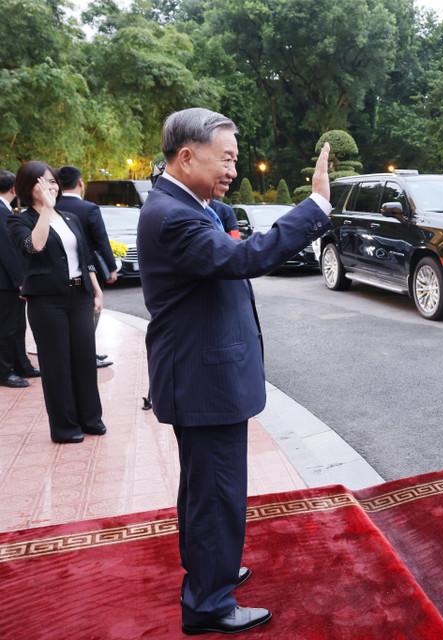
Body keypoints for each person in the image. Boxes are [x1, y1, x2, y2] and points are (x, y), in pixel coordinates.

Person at [137, 107, 332, 636]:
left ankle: (211, 570)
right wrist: (314, 205)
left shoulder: (184, 204)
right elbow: (247, 260)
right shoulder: (174, 215)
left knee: (207, 488)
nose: (231, 170)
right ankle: (208, 602)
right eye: (225, 159)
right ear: (186, 156)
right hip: (203, 378)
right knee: (217, 491)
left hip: (201, 372)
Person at [6, 161, 107, 443]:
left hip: (80, 297)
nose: (49, 187)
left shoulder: (70, 219)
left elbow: (84, 259)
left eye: (52, 181)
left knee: (85, 359)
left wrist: (96, 290)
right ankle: (65, 427)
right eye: (41, 182)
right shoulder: (19, 220)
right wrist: (47, 210)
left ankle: (90, 419)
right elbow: (32, 246)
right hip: (47, 302)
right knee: (57, 364)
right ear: (28, 188)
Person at [55, 165, 116, 368]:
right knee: (91, 311)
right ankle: (87, 354)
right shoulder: (89, 208)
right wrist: (112, 267)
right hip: (89, 271)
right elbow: (101, 240)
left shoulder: (51, 208)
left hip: (58, 272)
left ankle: (76, 353)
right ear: (80, 183)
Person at [0, 169, 41, 387]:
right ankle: (4, 372)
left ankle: (21, 364)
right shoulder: (2, 212)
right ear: (14, 188)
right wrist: (21, 280)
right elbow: (9, 251)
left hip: (8, 281)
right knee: (7, 328)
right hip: (5, 282)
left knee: (17, 326)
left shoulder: (5, 210)